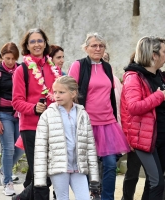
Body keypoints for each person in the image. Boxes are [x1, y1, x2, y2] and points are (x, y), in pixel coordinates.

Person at [68, 32, 130, 200]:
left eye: (101, 46)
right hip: (86, 123)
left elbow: (111, 95)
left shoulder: (107, 67)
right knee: (88, 166)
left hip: (108, 123)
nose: (97, 48)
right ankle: (90, 196)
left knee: (110, 165)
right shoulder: (78, 66)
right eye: (94, 45)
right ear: (86, 48)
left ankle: (107, 197)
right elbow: (70, 92)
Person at [11, 28, 61, 200]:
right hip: (32, 128)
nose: (37, 44)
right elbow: (16, 102)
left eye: (40, 40)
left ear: (45, 43)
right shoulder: (21, 70)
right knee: (41, 176)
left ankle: (21, 198)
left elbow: (60, 94)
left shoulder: (54, 69)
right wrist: (34, 108)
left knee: (47, 176)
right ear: (27, 46)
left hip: (53, 127)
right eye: (32, 41)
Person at [34, 76, 99, 199]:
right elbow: (40, 148)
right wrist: (40, 178)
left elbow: (90, 145)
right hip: (59, 167)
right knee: (62, 197)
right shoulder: (47, 115)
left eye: (61, 92)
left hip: (78, 167)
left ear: (73, 93)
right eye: (55, 92)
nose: (57, 95)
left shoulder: (83, 114)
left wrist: (94, 176)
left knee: (84, 197)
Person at [121, 36, 165, 199]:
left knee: (152, 184)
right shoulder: (134, 77)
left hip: (159, 137)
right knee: (157, 183)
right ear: (154, 55)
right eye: (164, 52)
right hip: (144, 139)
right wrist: (159, 96)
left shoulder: (160, 76)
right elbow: (133, 107)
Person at [0, 42, 24, 196]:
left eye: (13, 58)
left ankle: (3, 169)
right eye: (7, 58)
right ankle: (7, 181)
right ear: (2, 57)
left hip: (20, 114)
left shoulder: (21, 69)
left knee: (20, 148)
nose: (10, 62)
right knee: (8, 148)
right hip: (4, 115)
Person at [121, 52, 144, 200]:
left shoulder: (154, 77)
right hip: (135, 133)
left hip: (149, 133)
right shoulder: (132, 79)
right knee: (132, 173)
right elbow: (125, 112)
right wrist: (128, 136)